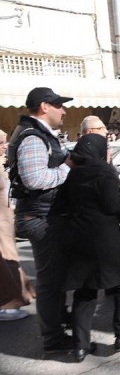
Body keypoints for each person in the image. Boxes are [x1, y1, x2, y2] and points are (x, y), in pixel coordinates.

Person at [61, 134, 120, 362]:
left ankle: (80, 346)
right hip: (106, 240)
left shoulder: (73, 173)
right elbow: (113, 205)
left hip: (79, 240)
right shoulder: (104, 171)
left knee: (85, 292)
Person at [7, 87, 74, 354]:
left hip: (43, 214)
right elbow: (35, 179)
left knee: (55, 278)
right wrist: (68, 167)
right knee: (49, 282)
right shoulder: (33, 136)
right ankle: (53, 339)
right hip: (39, 216)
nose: (64, 110)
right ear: (44, 107)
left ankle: (58, 319)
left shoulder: (38, 134)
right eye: (59, 105)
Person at [0, 129, 36, 321]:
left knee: (10, 262)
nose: (5, 146)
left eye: (5, 142)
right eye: (1, 143)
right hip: (0, 225)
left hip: (6, 223)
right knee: (5, 265)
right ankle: (6, 304)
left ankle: (18, 296)